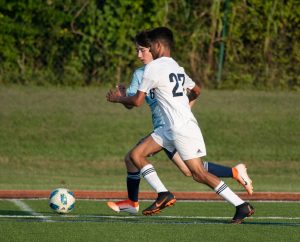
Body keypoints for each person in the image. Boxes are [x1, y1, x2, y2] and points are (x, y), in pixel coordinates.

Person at [107, 27, 255, 224]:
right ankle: (163, 193)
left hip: (179, 127)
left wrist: (118, 98)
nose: (146, 50)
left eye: (148, 46)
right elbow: (196, 90)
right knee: (135, 155)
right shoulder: (175, 66)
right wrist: (184, 106)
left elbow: (137, 102)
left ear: (157, 46)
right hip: (169, 127)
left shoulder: (153, 68)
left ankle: (241, 205)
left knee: (197, 173)